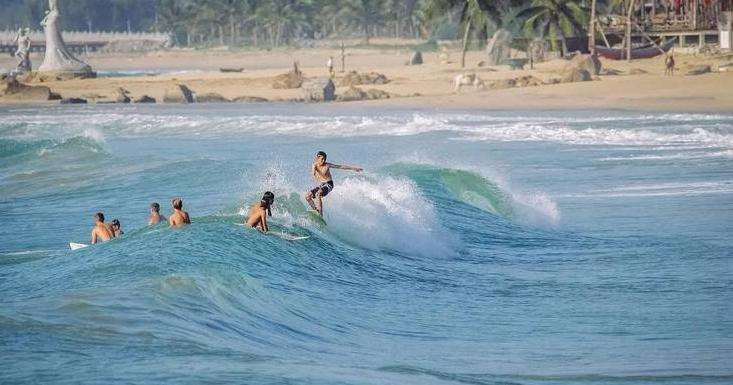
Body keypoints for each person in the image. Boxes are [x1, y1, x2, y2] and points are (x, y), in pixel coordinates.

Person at [305, 151, 362, 216]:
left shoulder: (327, 165)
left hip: (329, 184)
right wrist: (315, 173)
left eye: (324, 159)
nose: (323, 161)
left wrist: (353, 168)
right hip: (322, 185)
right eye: (322, 159)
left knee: (318, 194)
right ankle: (315, 210)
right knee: (307, 196)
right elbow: (313, 174)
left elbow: (340, 167)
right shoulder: (314, 165)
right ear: (317, 158)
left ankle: (320, 213)